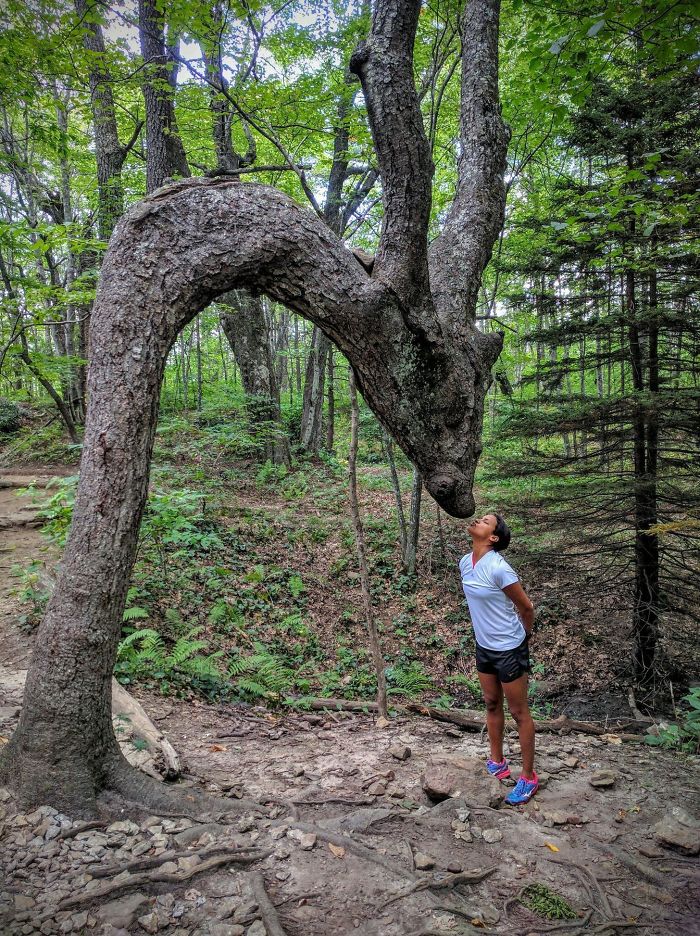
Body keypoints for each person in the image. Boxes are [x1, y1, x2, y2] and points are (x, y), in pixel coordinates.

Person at [459, 513, 538, 805]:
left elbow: (526, 608)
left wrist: (523, 638)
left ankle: (528, 777)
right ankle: (498, 761)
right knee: (491, 703)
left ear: (493, 537)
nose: (478, 520)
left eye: (486, 521)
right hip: (484, 646)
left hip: (509, 648)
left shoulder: (500, 569)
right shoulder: (465, 563)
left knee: (519, 712)